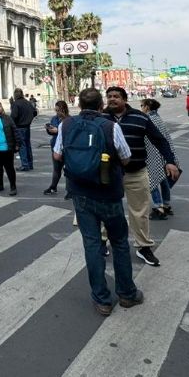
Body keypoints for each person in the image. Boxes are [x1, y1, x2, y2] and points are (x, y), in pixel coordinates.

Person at [53, 88, 141, 316]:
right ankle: (126, 294)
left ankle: (102, 299)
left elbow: (57, 155)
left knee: (92, 244)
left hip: (80, 193)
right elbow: (126, 156)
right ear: (101, 105)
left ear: (79, 105)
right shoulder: (111, 127)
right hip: (108, 193)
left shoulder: (66, 125)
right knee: (119, 243)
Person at [104, 87, 180, 267]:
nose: (112, 99)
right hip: (109, 173)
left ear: (124, 99)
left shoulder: (140, 117)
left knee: (140, 211)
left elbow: (159, 140)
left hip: (136, 172)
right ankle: (102, 241)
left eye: (116, 97)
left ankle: (143, 246)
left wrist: (170, 161)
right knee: (106, 209)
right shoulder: (101, 117)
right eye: (109, 97)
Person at [140, 99, 178, 219]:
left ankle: (158, 207)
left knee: (152, 181)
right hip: (162, 154)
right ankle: (166, 204)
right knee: (163, 180)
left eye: (142, 105)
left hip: (153, 154)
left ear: (147, 107)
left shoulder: (149, 119)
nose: (141, 108)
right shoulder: (158, 118)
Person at [44, 100, 70, 195]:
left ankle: (70, 191)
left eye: (59, 110)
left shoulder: (69, 119)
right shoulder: (54, 118)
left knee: (67, 170)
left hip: (66, 148)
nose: (57, 112)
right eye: (56, 110)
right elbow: (52, 132)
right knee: (56, 169)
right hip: (55, 146)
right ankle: (53, 187)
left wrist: (58, 130)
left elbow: (70, 133)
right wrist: (49, 129)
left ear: (64, 110)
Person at [11, 88, 36, 171]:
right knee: (27, 144)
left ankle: (25, 164)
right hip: (27, 126)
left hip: (20, 127)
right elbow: (35, 112)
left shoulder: (16, 104)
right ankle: (30, 163)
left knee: (22, 145)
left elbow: (14, 116)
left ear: (15, 95)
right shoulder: (27, 102)